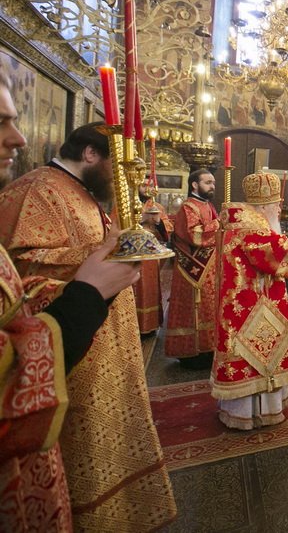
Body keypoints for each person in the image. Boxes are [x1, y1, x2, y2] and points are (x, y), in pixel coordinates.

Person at [0, 121, 176, 529]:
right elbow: (21, 269)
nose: (122, 178)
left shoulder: (83, 193)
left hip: (100, 341)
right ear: (92, 154)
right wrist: (102, 254)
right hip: (66, 351)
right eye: (118, 165)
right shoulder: (36, 190)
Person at [212, 172, 288, 429]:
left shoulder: (237, 221)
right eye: (277, 205)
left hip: (245, 302)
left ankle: (256, 408)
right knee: (254, 355)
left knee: (261, 353)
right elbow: (282, 252)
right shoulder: (252, 227)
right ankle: (247, 414)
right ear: (265, 206)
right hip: (251, 306)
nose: (279, 209)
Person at [166, 167, 220, 367]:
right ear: (195, 185)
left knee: (209, 306)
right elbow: (195, 236)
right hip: (193, 269)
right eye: (208, 182)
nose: (212, 186)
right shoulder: (189, 207)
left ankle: (208, 348)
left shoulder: (208, 206)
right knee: (195, 307)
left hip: (209, 268)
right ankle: (191, 352)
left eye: (213, 182)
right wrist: (219, 224)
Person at [134, 182, 172, 334]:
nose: (146, 189)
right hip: (132, 255)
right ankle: (134, 324)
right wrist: (141, 219)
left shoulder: (157, 206)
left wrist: (158, 222)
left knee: (149, 287)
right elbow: (115, 227)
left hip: (150, 256)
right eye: (143, 185)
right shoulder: (125, 204)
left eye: (149, 186)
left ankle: (149, 325)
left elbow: (168, 229)